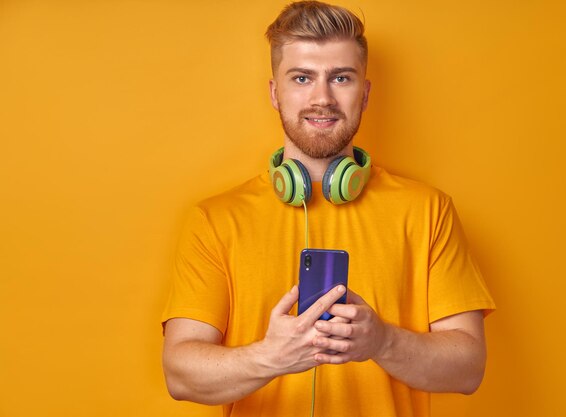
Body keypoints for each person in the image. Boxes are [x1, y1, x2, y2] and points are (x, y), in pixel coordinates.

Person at [161, 1, 496, 416]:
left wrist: (382, 342)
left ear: (366, 92)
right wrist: (271, 356)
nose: (322, 98)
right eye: (302, 78)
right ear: (274, 92)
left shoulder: (429, 210)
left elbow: (468, 369)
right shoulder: (215, 220)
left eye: (341, 77)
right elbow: (179, 373)